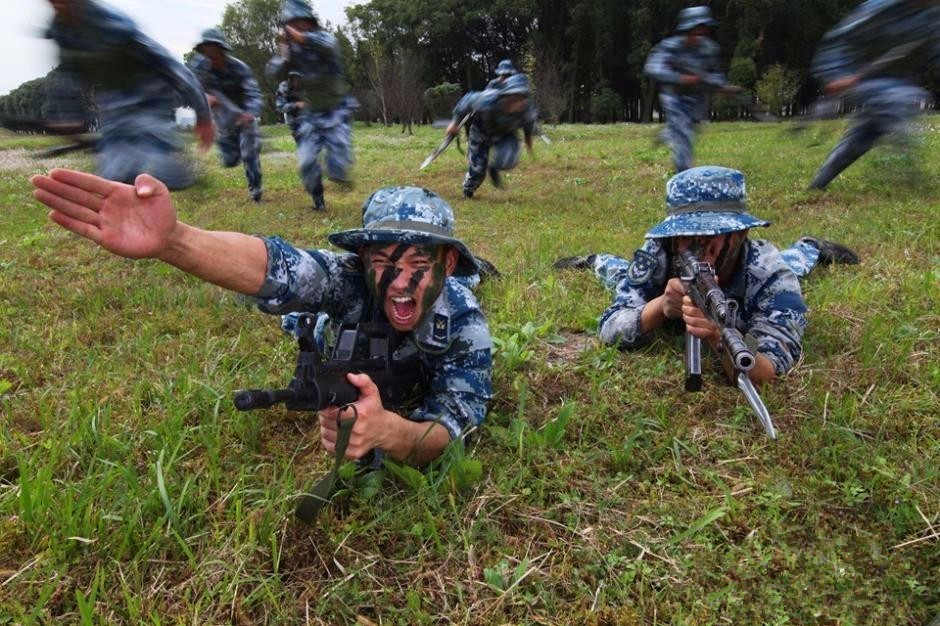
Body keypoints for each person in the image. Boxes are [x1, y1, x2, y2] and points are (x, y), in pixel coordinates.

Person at [31, 168, 493, 466]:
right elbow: (280, 266)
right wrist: (175, 241)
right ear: (364, 258)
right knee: (298, 317)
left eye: (419, 266)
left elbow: (455, 425)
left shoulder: (464, 326)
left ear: (446, 264)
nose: (398, 282)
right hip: (329, 324)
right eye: (384, 263)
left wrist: (392, 431)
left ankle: (479, 273)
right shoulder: (349, 278)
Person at [553, 166, 859, 384]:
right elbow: (609, 328)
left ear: (740, 233)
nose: (698, 247)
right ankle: (594, 260)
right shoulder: (659, 252)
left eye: (711, 235)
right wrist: (660, 306)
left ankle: (811, 246)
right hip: (661, 291)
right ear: (672, 237)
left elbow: (770, 369)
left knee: (793, 264)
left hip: (767, 272)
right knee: (617, 271)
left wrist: (716, 335)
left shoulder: (769, 273)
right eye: (687, 235)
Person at [44, 0, 214, 190]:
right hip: (114, 104)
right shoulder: (62, 32)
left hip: (151, 98)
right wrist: (69, 117)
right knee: (113, 177)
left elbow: (170, 66)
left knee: (160, 165)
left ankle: (174, 170)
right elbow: (68, 76)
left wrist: (202, 113)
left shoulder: (113, 23)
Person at [808, 0, 940, 190]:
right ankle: (907, 174)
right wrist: (837, 75)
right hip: (855, 77)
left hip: (893, 83)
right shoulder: (881, 7)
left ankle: (819, 183)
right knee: (901, 98)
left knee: (866, 134)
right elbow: (839, 39)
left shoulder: (930, 16)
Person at [266, 0, 357, 211]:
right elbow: (273, 73)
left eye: (300, 22)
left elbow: (330, 46)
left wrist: (301, 38)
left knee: (338, 165)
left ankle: (338, 172)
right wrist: (283, 51)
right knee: (306, 162)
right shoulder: (293, 52)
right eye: (291, 23)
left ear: (309, 22)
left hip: (337, 110)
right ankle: (318, 201)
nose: (296, 27)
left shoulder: (323, 38)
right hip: (312, 114)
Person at [644, 6, 740, 173]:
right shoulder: (670, 47)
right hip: (674, 96)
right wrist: (681, 78)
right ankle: (683, 174)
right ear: (686, 29)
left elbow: (715, 73)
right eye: (696, 31)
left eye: (703, 31)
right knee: (684, 134)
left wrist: (722, 86)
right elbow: (652, 68)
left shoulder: (709, 48)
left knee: (690, 128)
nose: (700, 35)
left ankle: (668, 133)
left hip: (697, 98)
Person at [189, 29, 264, 202]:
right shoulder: (199, 67)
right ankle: (236, 150)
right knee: (229, 160)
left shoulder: (239, 68)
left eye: (214, 50)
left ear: (222, 50)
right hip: (223, 118)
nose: (211, 55)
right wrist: (203, 98)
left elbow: (253, 93)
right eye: (207, 50)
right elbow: (189, 87)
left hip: (244, 115)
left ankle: (256, 190)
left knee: (249, 153)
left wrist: (250, 114)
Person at [446, 73, 538, 199]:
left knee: (509, 159)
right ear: (505, 95)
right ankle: (468, 189)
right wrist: (454, 123)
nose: (517, 102)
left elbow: (528, 127)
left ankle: (494, 168)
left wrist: (529, 145)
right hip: (480, 132)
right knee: (478, 169)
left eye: (521, 98)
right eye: (513, 97)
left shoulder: (526, 110)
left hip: (504, 135)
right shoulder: (488, 99)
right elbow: (466, 101)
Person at [276, 71, 305, 143]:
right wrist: (296, 105)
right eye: (295, 79)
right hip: (294, 119)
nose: (297, 81)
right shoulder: (284, 88)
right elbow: (280, 107)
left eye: (299, 79)